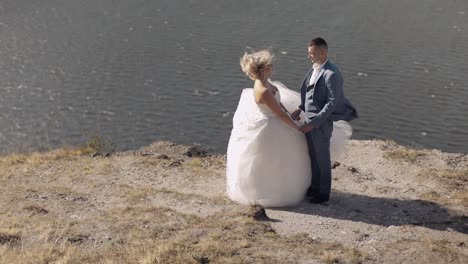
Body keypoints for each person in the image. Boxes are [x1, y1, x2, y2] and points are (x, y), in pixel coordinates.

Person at [226, 49, 352, 207]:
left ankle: (309, 188)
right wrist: (296, 127)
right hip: (270, 127)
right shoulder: (263, 90)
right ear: (264, 69)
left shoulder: (266, 82)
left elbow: (279, 105)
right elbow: (279, 114)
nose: (272, 67)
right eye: (270, 65)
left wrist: (292, 113)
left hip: (277, 120)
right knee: (273, 161)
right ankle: (273, 193)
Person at [291, 37, 358, 204]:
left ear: (322, 52)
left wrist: (313, 124)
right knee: (313, 157)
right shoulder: (315, 69)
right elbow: (310, 94)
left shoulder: (332, 73)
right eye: (309, 53)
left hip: (320, 124)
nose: (309, 56)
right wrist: (300, 108)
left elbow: (331, 103)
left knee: (322, 158)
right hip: (309, 121)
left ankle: (323, 193)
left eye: (312, 53)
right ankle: (314, 188)